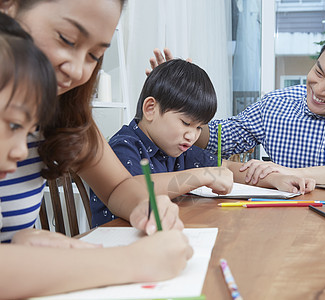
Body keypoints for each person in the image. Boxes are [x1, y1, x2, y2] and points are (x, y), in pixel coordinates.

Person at [0, 12, 193, 299]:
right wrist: (133, 262)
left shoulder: (66, 114)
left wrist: (145, 205)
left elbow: (117, 186)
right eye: (66, 38)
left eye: (94, 55)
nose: (78, 71)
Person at [92, 59, 316, 227]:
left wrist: (276, 179)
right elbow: (132, 190)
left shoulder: (176, 148)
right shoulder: (124, 145)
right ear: (150, 109)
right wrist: (200, 176)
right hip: (118, 245)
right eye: (186, 122)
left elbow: (225, 167)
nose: (192, 135)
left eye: (199, 127)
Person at [191, 22, 325, 186]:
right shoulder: (276, 104)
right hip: (285, 220)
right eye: (319, 72)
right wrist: (178, 105)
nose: (319, 90)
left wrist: (290, 172)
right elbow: (220, 139)